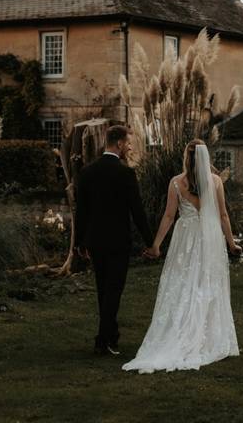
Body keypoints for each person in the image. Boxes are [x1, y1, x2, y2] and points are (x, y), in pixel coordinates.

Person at [122, 139, 242, 373]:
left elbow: (168, 217)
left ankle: (182, 332)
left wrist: (156, 245)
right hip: (209, 239)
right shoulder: (216, 182)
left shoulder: (176, 183)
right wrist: (231, 243)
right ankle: (208, 336)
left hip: (185, 238)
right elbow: (223, 215)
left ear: (186, 158)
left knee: (182, 283)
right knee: (207, 283)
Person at [74, 125, 154, 356]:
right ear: (118, 143)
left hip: (96, 241)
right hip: (119, 242)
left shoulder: (87, 172)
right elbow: (137, 212)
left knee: (103, 289)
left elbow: (81, 211)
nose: (130, 147)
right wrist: (151, 242)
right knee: (114, 290)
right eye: (128, 143)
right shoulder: (126, 174)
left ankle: (110, 335)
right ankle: (104, 339)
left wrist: (79, 242)